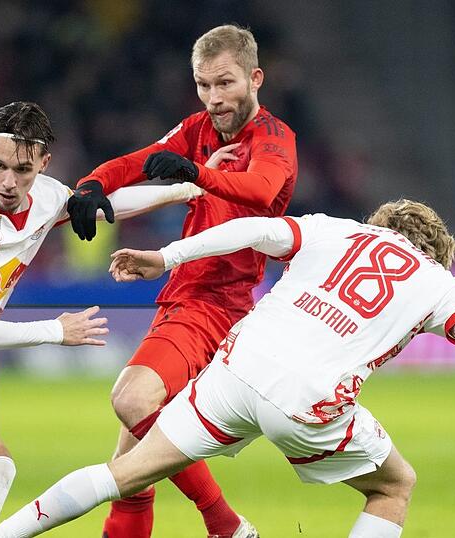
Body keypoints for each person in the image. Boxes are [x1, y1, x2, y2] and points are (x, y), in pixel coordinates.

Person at [0, 200, 455, 538]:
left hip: (239, 363)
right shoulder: (438, 283)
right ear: (435, 251)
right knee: (395, 486)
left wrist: (166, 256)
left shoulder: (338, 230)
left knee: (129, 470)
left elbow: (254, 230)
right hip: (308, 397)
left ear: (384, 224)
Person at [0, 101, 205, 538]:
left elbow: (108, 205)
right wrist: (55, 331)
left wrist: (187, 190)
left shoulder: (47, 196)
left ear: (43, 163)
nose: (9, 182)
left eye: (23, 170)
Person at [65, 24, 297, 538]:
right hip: (187, 297)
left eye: (225, 84)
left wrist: (194, 174)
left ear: (255, 78)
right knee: (129, 472)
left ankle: (227, 525)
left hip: (215, 303)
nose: (214, 99)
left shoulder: (275, 139)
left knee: (130, 401)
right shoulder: (198, 129)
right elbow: (137, 162)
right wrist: (89, 187)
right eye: (203, 85)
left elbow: (259, 191)